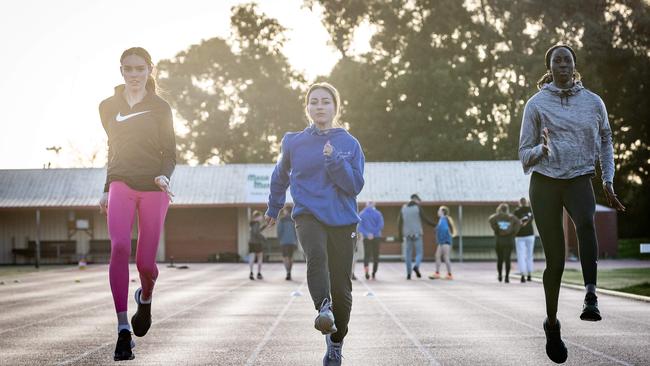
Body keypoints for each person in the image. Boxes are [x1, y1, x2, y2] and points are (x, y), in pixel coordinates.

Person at [519, 44, 625, 364]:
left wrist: (607, 179)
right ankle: (552, 324)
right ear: (550, 68)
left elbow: (606, 139)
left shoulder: (593, 103)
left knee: (586, 223)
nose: (562, 64)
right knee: (556, 260)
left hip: (579, 177)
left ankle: (591, 296)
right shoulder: (536, 104)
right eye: (556, 61)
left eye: (567, 59)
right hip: (545, 183)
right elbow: (525, 153)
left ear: (574, 65)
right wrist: (542, 149)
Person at [265, 82, 364, 365]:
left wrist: (334, 162)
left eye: (326, 102)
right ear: (307, 107)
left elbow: (354, 185)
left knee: (343, 289)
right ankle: (323, 308)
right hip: (307, 213)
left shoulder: (349, 143)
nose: (319, 106)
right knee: (316, 256)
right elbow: (279, 175)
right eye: (314, 101)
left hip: (343, 220)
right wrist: (273, 206)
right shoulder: (293, 141)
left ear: (335, 107)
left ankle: (335, 342)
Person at [98, 47, 176, 361]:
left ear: (149, 70)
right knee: (118, 247)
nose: (134, 75)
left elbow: (170, 152)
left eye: (139, 69)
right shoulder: (107, 107)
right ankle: (121, 330)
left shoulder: (161, 107)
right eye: (128, 69)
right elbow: (112, 149)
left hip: (154, 188)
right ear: (121, 71)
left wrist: (164, 176)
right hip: (121, 184)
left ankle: (145, 298)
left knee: (145, 263)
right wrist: (107, 186)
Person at [397, 194, 435, 279]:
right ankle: (416, 266)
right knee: (419, 253)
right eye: (419, 200)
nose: (419, 202)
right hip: (417, 233)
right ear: (415, 199)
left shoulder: (403, 208)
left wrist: (400, 235)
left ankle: (408, 274)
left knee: (408, 255)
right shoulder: (417, 207)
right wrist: (435, 225)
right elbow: (425, 219)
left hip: (407, 234)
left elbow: (399, 222)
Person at [488, 203, 520, 284]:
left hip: (499, 240)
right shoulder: (512, 217)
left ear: (500, 209)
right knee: (507, 259)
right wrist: (513, 233)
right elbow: (518, 224)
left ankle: (499, 275)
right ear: (507, 209)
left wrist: (496, 229)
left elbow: (490, 219)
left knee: (500, 259)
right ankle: (507, 277)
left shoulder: (496, 217)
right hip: (509, 240)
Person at [358, 201, 385, 280]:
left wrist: (367, 234)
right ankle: (374, 272)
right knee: (376, 255)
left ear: (366, 205)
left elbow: (359, 227)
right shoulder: (378, 213)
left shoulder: (362, 214)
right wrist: (373, 233)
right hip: (376, 237)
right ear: (373, 205)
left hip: (366, 238)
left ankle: (366, 272)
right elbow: (381, 225)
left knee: (367, 255)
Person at [429, 206, 456, 280]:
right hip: (441, 242)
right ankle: (437, 273)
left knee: (446, 257)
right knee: (437, 256)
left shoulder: (444, 219)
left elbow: (444, 229)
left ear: (443, 212)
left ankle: (449, 274)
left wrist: (441, 238)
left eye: (439, 210)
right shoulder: (441, 219)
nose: (438, 211)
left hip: (445, 241)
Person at [514, 197, 536, 283]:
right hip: (530, 234)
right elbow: (532, 219)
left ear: (519, 203)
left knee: (521, 255)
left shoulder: (516, 211)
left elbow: (515, 222)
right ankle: (529, 274)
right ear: (526, 202)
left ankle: (522, 275)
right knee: (529, 255)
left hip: (519, 235)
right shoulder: (531, 210)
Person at [277, 205, 298, 280]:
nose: (283, 211)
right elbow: (296, 231)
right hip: (292, 241)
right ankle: (290, 272)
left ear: (286, 211)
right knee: (291, 257)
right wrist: (296, 240)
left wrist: (279, 239)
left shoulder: (282, 220)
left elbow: (279, 231)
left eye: (284, 210)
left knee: (285, 257)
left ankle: (287, 272)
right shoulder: (294, 220)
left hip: (284, 241)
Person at [248, 210, 267, 280]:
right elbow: (256, 233)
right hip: (257, 243)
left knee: (252, 258)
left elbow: (256, 231)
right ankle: (259, 273)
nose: (262, 218)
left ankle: (251, 272)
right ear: (257, 216)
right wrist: (263, 238)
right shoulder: (257, 223)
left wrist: (264, 226)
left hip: (251, 243)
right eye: (261, 216)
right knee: (259, 258)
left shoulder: (252, 224)